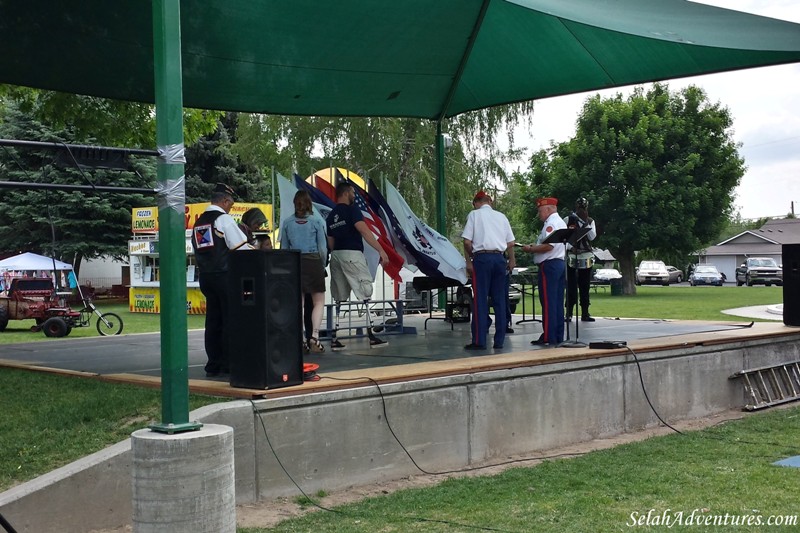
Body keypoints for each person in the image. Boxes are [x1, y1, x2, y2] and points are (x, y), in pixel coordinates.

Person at [191, 183, 252, 377]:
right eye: (231, 204)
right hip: (225, 275)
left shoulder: (199, 221)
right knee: (229, 319)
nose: (231, 208)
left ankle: (213, 363)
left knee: (213, 320)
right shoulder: (223, 219)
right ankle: (228, 363)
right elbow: (240, 246)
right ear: (225, 201)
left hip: (206, 277)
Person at [326, 181, 389, 350]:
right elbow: (364, 231)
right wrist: (381, 250)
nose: (354, 195)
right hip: (352, 254)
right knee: (365, 291)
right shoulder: (352, 210)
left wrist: (336, 254)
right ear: (346, 193)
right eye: (353, 192)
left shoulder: (331, 215)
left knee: (339, 295)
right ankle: (371, 335)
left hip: (336, 255)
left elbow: (330, 241)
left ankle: (335, 337)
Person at [461, 190, 515, 350]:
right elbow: (511, 242)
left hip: (482, 259)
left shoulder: (474, 215)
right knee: (499, 300)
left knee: (480, 299)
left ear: (476, 203)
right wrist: (512, 259)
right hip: (499, 258)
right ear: (490, 202)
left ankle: (479, 340)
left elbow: (466, 242)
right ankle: (499, 341)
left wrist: (470, 259)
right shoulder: (501, 216)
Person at [280, 190, 328, 354]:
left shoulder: (287, 223)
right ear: (309, 203)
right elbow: (323, 248)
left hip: (294, 263)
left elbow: (284, 248)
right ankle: (314, 336)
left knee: (297, 304)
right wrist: (321, 266)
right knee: (318, 302)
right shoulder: (317, 221)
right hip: (313, 261)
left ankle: (299, 339)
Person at [522, 197, 566, 347]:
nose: (539, 214)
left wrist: (531, 249)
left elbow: (548, 246)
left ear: (548, 209)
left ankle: (548, 335)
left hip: (549, 265)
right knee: (557, 302)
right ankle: (557, 334)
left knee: (548, 302)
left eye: (540, 210)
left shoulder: (551, 224)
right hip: (559, 263)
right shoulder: (560, 222)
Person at [564, 197, 597, 322]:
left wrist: (585, 223)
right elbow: (562, 238)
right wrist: (571, 248)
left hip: (586, 255)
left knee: (585, 286)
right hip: (572, 255)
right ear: (576, 207)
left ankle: (585, 312)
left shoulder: (590, 221)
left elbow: (592, 237)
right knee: (571, 286)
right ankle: (569, 312)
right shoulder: (568, 220)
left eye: (584, 207)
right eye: (580, 207)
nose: (582, 209)